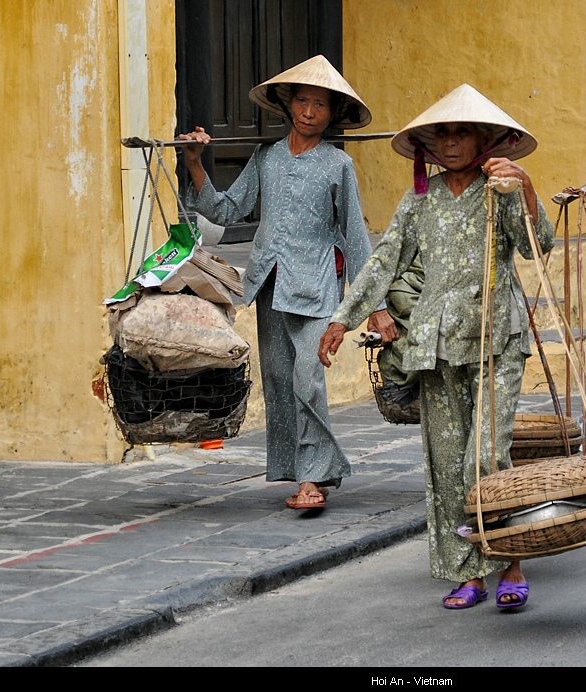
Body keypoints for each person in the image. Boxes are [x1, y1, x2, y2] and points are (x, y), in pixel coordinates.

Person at [318, 84, 554, 609]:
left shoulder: (500, 190)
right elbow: (385, 261)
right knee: (447, 462)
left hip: (497, 336)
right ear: (428, 144)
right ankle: (467, 572)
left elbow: (538, 245)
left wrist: (527, 187)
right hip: (437, 342)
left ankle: (512, 560)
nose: (450, 143)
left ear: (487, 139)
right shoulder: (419, 199)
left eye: (461, 131)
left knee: (486, 455)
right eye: (441, 134)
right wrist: (343, 317)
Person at [180, 55, 397, 511]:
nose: (310, 112)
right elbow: (225, 211)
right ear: (288, 104)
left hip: (317, 285)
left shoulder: (338, 165)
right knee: (279, 379)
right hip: (269, 283)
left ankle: (314, 479)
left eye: (321, 105)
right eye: (303, 101)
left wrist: (374, 305)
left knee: (307, 378)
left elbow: (355, 237)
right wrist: (196, 163)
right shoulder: (266, 158)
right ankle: (305, 471)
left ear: (333, 114)